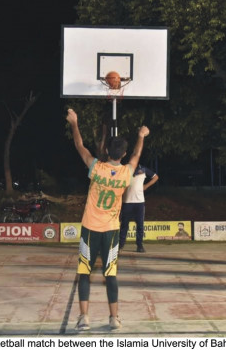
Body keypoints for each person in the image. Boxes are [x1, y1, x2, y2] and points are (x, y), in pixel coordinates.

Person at [66, 108, 149, 331]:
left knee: (84, 272)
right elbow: (137, 156)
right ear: (122, 154)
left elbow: (79, 146)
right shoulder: (126, 173)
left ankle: (84, 317)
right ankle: (114, 318)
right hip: (111, 231)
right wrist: (141, 136)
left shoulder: (96, 168)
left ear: (105, 150)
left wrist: (74, 123)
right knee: (110, 274)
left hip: (90, 229)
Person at [119, 164, 158, 253]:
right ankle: (120, 245)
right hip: (127, 202)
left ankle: (139, 245)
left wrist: (145, 186)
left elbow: (156, 177)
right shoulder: (125, 168)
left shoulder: (143, 169)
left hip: (139, 202)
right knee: (124, 225)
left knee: (140, 225)